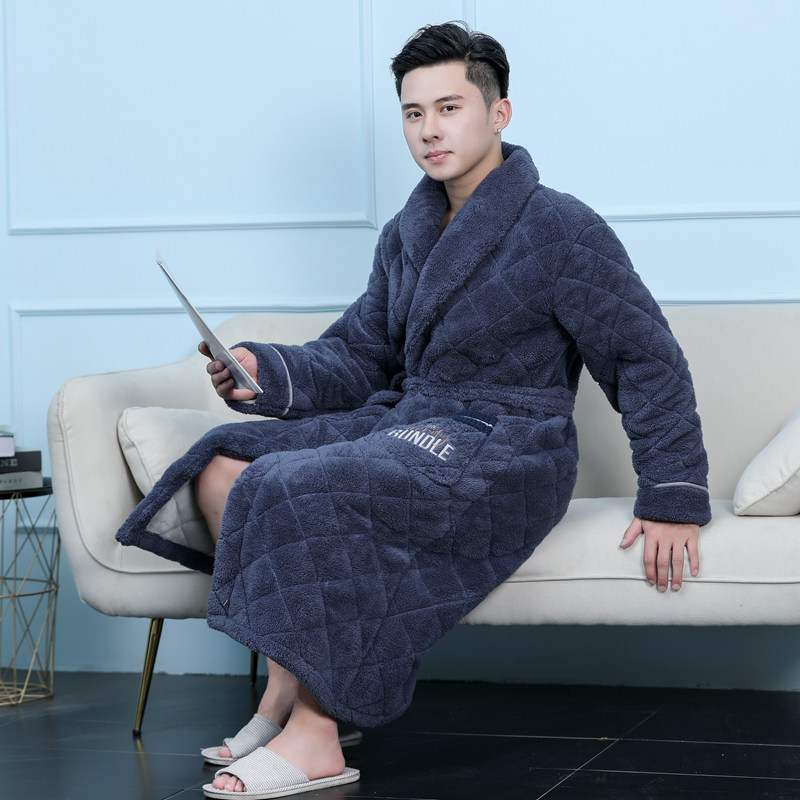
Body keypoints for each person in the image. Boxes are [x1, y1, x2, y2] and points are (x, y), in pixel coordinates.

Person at [117, 21, 711, 799]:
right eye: (413, 113)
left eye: (449, 108)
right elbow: (362, 353)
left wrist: (672, 494)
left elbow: (645, 358)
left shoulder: (561, 227)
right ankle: (285, 693)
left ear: (498, 113)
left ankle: (318, 736)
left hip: (508, 444)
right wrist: (265, 371)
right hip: (412, 422)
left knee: (305, 485)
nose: (429, 129)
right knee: (225, 464)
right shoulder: (408, 232)